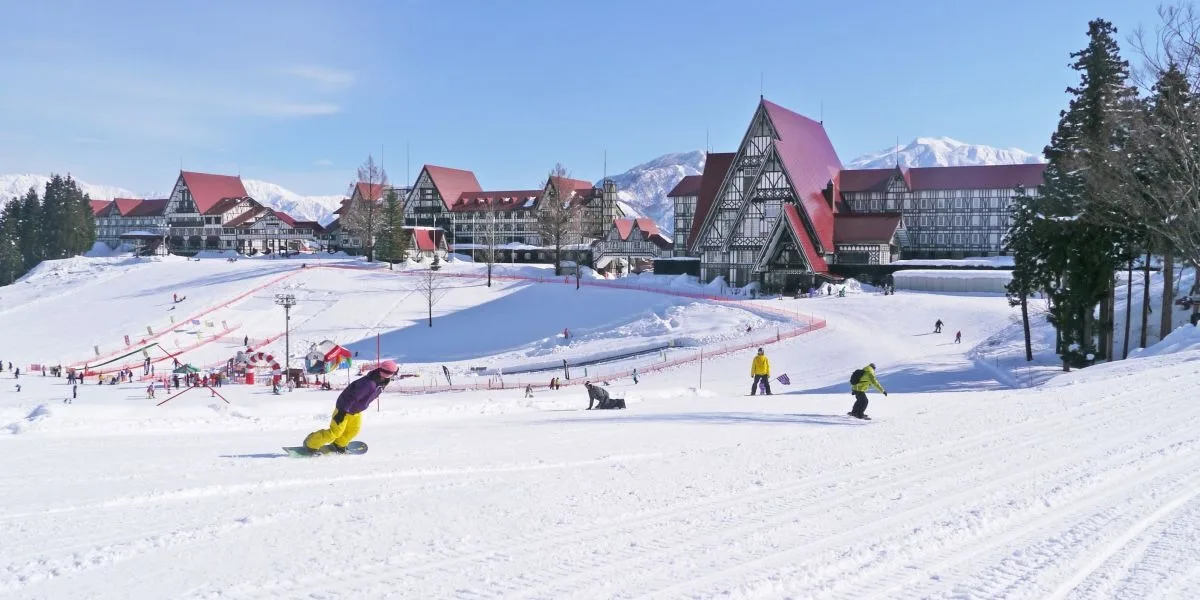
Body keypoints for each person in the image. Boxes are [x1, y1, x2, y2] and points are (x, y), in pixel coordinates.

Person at [302, 360, 396, 453]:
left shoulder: (381, 383)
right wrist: (342, 411)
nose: (388, 374)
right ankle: (311, 443)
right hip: (344, 409)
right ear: (380, 370)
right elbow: (351, 396)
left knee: (353, 430)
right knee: (335, 433)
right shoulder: (368, 383)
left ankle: (339, 444)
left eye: (391, 373)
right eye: (386, 371)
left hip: (355, 411)